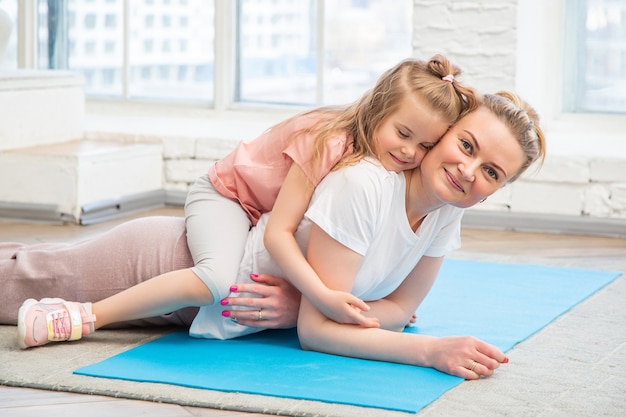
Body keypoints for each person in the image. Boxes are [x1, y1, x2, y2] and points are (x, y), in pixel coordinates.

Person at [6, 90, 546, 380]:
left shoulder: (446, 213)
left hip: (209, 307)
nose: (470, 171)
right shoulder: (363, 183)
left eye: (492, 173)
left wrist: (329, 310)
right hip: (172, 264)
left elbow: (400, 307)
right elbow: (326, 328)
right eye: (468, 146)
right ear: (447, 131)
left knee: (26, 264)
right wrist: (428, 350)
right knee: (17, 279)